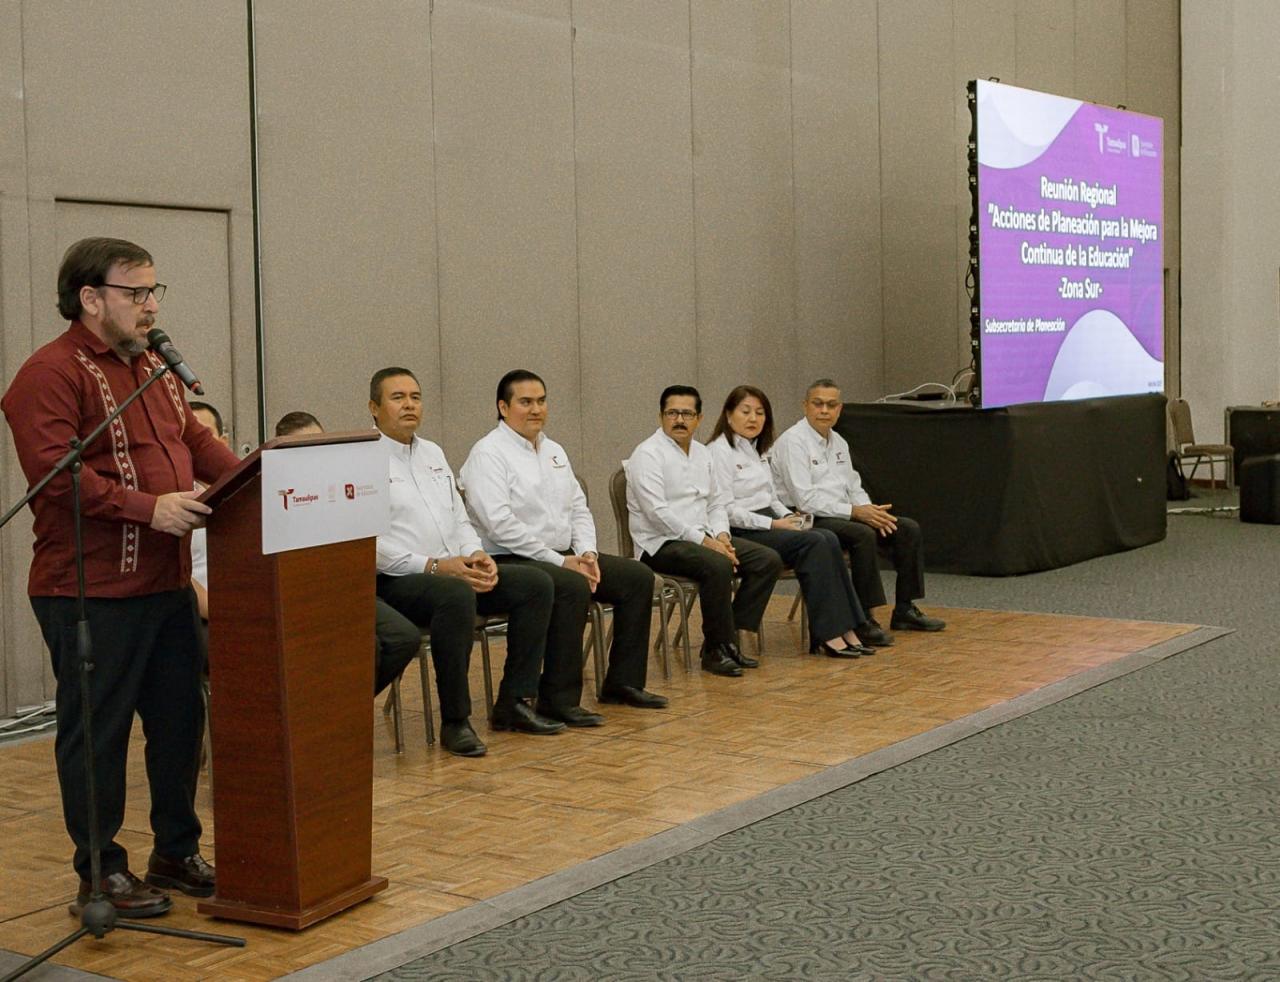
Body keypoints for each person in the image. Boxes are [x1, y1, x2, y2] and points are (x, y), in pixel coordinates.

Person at [1, 237, 240, 918]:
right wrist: (148, 507)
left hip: (166, 586)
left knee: (179, 722)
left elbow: (195, 442)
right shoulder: (49, 373)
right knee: (97, 734)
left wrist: (256, 481)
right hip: (90, 591)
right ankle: (100, 871)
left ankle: (176, 850)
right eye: (136, 293)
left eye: (154, 291)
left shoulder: (153, 366)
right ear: (90, 298)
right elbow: (56, 478)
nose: (151, 305)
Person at [369, 367, 564, 754]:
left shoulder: (432, 453)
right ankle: (455, 721)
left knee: (535, 584)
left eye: (415, 397)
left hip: (453, 569)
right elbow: (370, 544)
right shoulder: (361, 460)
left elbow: (459, 517)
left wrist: (476, 553)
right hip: (398, 580)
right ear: (374, 408)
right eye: (398, 398)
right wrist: (435, 566)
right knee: (455, 597)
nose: (409, 405)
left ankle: (514, 702)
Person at [461, 370, 666, 723]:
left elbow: (578, 508)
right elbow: (499, 524)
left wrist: (587, 553)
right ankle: (557, 698)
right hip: (509, 558)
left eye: (541, 401)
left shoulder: (554, 450)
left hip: (562, 555)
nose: (536, 409)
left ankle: (623, 683)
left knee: (636, 577)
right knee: (570, 585)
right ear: (503, 407)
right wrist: (559, 561)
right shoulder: (487, 453)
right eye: (526, 402)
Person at [770, 379, 946, 645]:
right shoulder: (792, 442)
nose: (824, 410)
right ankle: (863, 618)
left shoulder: (839, 441)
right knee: (862, 534)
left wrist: (870, 511)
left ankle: (905, 609)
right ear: (805, 406)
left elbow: (854, 486)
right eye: (818, 404)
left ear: (840, 409)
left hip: (844, 513)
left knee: (906, 528)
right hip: (804, 518)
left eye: (831, 405)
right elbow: (805, 500)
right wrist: (855, 513)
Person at [707, 385, 875, 658]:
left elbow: (772, 498)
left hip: (770, 520)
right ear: (728, 415)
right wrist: (774, 525)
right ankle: (828, 633)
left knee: (827, 537)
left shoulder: (758, 449)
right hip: (742, 528)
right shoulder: (719, 451)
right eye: (745, 412)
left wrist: (788, 516)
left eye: (760, 413)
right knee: (814, 542)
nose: (753, 419)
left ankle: (848, 627)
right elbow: (726, 510)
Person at [625, 385, 782, 677]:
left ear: (699, 418)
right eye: (672, 413)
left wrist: (722, 536)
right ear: (660, 416)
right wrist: (706, 542)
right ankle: (715, 652)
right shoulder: (647, 454)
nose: (679, 419)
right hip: (660, 544)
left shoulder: (702, 453)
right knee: (717, 564)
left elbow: (716, 503)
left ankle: (725, 640)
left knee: (767, 560)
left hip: (705, 538)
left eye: (687, 414)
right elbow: (657, 514)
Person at [269, 410, 420, 702]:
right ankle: (334, 711)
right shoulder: (277, 496)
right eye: (303, 449)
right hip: (302, 597)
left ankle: (347, 707)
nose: (315, 456)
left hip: (347, 588)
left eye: (320, 445)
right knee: (362, 645)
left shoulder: (343, 487)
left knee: (403, 637)